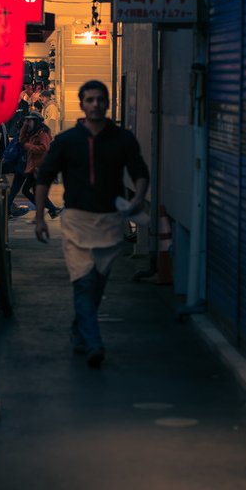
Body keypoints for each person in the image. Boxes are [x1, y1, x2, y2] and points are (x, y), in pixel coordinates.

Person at [34, 80, 148, 369]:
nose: (96, 104)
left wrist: (138, 200)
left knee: (97, 283)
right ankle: (94, 343)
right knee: (83, 283)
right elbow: (44, 177)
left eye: (100, 100)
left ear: (107, 103)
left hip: (110, 221)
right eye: (90, 100)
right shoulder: (67, 140)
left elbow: (140, 171)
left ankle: (80, 329)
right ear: (82, 104)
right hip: (76, 220)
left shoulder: (122, 139)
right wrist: (38, 218)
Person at [6, 113, 59, 218]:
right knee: (29, 190)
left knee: (31, 190)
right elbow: (21, 140)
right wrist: (25, 126)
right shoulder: (32, 132)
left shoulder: (42, 133)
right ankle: (51, 209)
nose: (28, 123)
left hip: (37, 167)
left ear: (36, 121)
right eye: (27, 120)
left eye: (30, 121)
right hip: (30, 166)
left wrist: (27, 146)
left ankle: (51, 209)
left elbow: (44, 148)